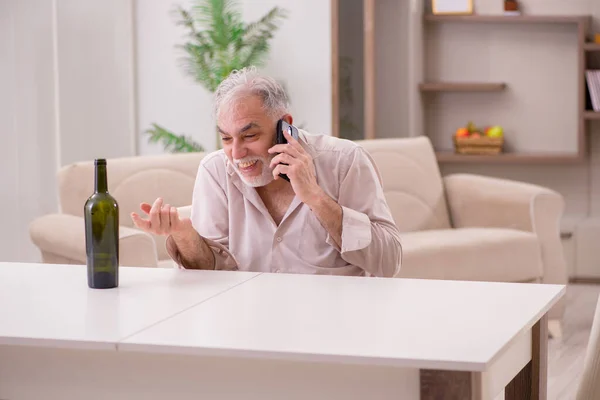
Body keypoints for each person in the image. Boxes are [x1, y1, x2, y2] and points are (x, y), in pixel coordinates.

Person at [131, 67, 402, 277]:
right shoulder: (215, 172)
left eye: (249, 136)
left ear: (285, 126)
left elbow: (389, 261)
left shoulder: (345, 160)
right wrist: (183, 234)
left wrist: (316, 198)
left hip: (336, 318)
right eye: (226, 139)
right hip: (249, 322)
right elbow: (210, 273)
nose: (236, 153)